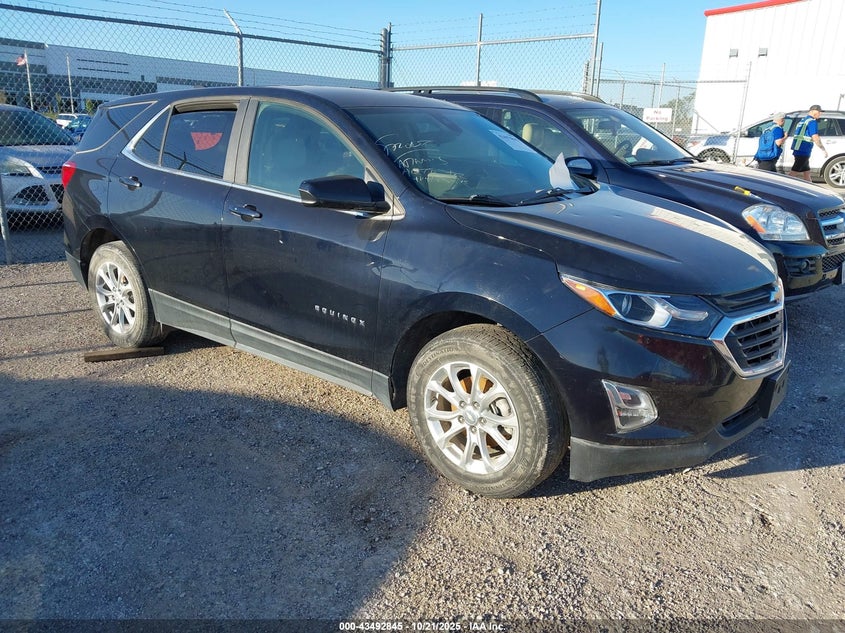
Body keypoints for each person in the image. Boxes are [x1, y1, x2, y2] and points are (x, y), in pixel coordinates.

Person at [788, 104, 828, 182]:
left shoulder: (803, 120)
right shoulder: (812, 122)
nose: (820, 114)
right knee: (793, 172)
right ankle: (783, 188)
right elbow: (815, 137)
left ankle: (810, 186)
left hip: (798, 148)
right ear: (813, 111)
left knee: (807, 172)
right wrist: (823, 149)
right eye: (819, 112)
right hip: (804, 150)